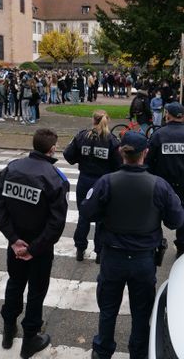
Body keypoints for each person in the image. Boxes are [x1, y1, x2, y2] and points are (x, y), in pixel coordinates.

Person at [80, 131, 184, 359]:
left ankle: (102, 350)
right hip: (143, 260)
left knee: (108, 309)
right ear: (145, 153)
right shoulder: (159, 185)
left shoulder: (107, 182)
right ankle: (138, 352)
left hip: (113, 257)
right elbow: (177, 220)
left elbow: (87, 212)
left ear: (121, 152)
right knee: (141, 311)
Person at [0, 128, 70, 358]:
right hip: (39, 248)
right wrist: (33, 249)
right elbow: (56, 224)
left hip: (17, 243)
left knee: (15, 283)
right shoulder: (55, 178)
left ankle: (8, 330)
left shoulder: (12, 168)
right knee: (36, 290)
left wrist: (14, 240)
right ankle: (30, 339)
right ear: (52, 149)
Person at [146, 102, 184, 257]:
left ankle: (156, 244)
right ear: (183, 116)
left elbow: (148, 161)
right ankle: (181, 246)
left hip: (160, 183)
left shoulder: (158, 135)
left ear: (167, 115)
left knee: (156, 214)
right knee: (183, 216)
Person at [63, 110, 121, 263]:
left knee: (84, 216)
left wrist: (81, 158)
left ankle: (80, 249)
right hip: (103, 183)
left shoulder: (82, 136)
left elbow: (68, 156)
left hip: (85, 181)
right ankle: (100, 253)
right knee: (102, 218)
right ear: (107, 120)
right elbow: (119, 164)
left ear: (93, 120)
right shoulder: (111, 140)